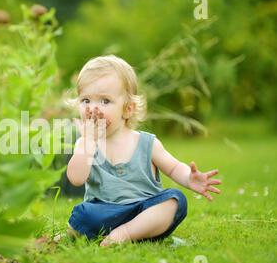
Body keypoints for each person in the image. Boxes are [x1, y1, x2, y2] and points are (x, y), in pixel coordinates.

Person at [65, 55, 222, 247]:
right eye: (86, 100)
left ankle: (124, 234)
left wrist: (189, 178)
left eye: (105, 101)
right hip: (103, 213)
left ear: (128, 109)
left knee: (175, 200)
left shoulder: (147, 143)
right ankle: (102, 232)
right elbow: (76, 179)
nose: (93, 109)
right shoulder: (85, 144)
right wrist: (88, 142)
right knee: (83, 214)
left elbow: (173, 168)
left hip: (144, 212)